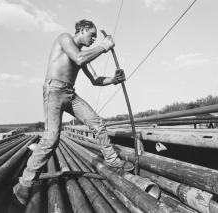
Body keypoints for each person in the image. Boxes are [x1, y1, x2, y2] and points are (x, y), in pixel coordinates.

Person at [13, 19, 134, 205]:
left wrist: (114, 80)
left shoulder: (83, 53)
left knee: (97, 123)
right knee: (51, 138)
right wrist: (103, 46)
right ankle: (24, 183)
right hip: (54, 90)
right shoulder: (65, 38)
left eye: (95, 37)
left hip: (69, 94)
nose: (93, 39)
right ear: (82, 29)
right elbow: (79, 59)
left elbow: (95, 79)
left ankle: (112, 160)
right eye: (91, 35)